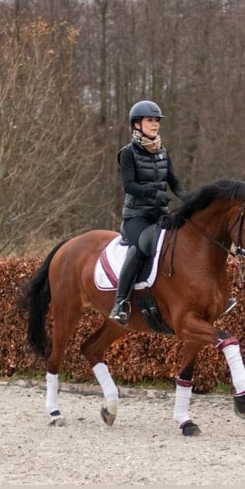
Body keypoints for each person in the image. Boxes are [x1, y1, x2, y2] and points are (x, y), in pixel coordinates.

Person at [109, 100, 187, 325]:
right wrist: (154, 193)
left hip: (159, 215)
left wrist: (192, 199)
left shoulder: (163, 151)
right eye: (150, 120)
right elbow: (129, 186)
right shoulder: (128, 153)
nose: (155, 124)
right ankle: (120, 302)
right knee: (142, 246)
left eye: (156, 121)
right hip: (136, 217)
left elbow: (175, 183)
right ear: (137, 124)